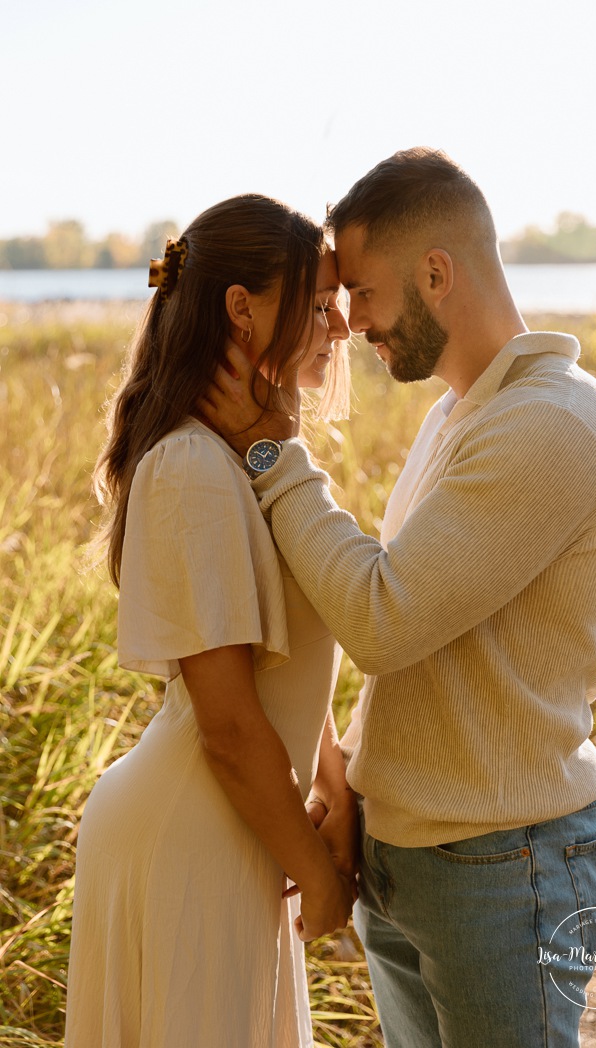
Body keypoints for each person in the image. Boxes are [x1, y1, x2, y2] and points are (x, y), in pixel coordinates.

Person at [201, 149, 596, 1047]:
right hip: (409, 858)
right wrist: (359, 780)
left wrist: (273, 454)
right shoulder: (461, 412)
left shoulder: (551, 426)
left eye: (360, 292)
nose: (348, 321)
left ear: (436, 272)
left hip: (501, 869)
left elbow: (384, 620)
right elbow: (435, 646)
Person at [64, 194, 357, 1048]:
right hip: (191, 839)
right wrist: (322, 882)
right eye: (315, 303)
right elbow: (226, 721)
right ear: (241, 308)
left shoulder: (240, 454)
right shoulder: (191, 466)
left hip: (236, 831)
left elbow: (278, 654)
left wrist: (329, 777)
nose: (338, 327)